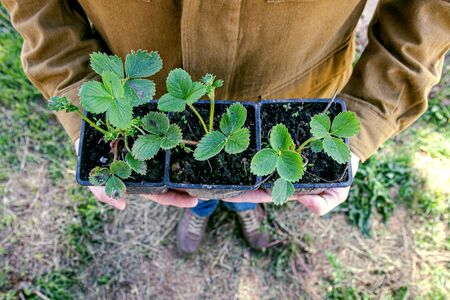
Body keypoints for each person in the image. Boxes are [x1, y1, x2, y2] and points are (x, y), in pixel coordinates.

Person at [2, 0, 449, 256]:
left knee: (238, 180)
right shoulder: (135, 102)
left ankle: (239, 207)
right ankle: (204, 210)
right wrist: (80, 97)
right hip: (148, 102)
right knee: (189, 183)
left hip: (296, 93)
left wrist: (368, 114)